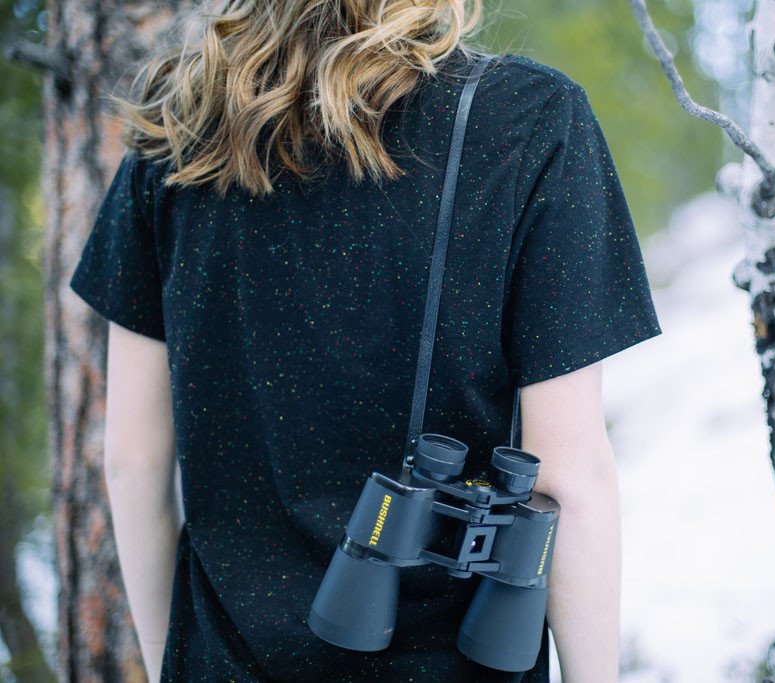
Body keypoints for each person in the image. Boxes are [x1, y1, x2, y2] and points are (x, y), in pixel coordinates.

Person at [69, 1, 662, 681]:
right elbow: (568, 476)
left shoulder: (177, 126)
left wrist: (169, 660)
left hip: (222, 658)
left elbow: (133, 460)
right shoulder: (531, 118)